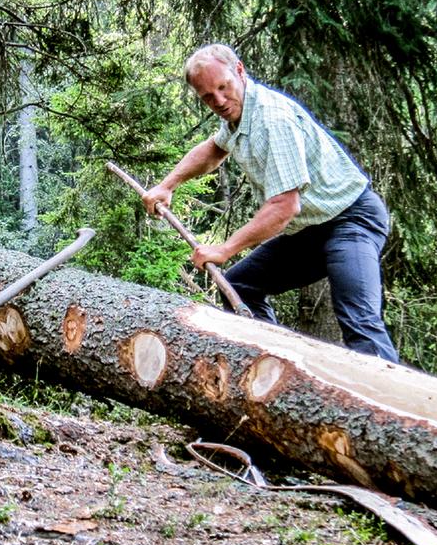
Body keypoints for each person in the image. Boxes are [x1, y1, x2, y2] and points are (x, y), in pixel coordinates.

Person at [143, 44, 399, 362]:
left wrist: (224, 249)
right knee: (238, 287)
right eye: (208, 97)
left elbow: (284, 207)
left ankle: (395, 408)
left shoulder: (273, 120)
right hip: (312, 229)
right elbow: (213, 149)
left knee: (360, 324)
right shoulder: (240, 115)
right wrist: (168, 185)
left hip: (352, 219)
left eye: (223, 88)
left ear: (240, 71)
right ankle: (277, 373)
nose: (219, 101)